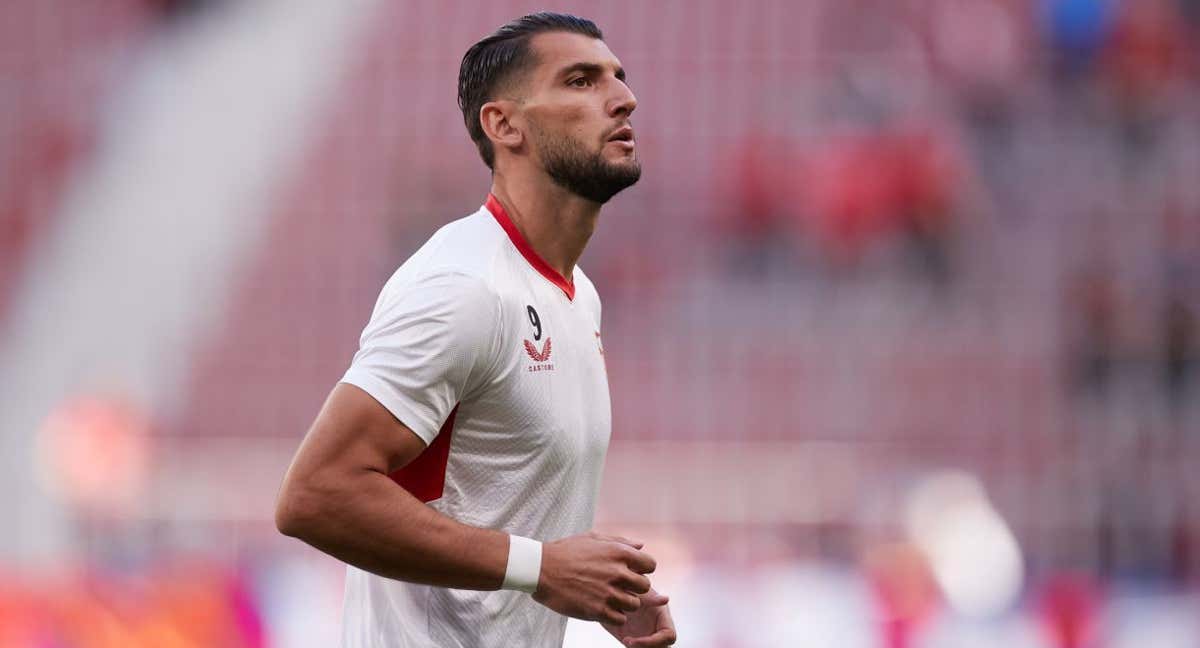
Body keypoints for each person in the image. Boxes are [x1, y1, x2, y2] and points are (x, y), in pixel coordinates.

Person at [274, 12, 676, 648]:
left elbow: (492, 504)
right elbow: (317, 495)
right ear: (504, 124)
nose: (623, 98)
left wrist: (588, 582)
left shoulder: (576, 296)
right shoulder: (462, 287)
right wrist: (542, 568)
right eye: (579, 80)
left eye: (618, 79)